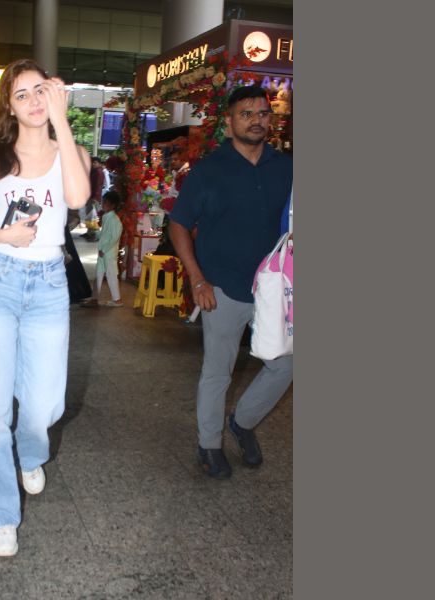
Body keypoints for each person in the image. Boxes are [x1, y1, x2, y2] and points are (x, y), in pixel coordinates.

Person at [0, 58, 90, 557]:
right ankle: (1, 517)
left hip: (48, 285)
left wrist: (62, 121)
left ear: (54, 94)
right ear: (8, 105)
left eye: (40, 91)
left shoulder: (73, 151)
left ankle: (31, 452)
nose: (32, 102)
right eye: (21, 94)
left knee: (45, 407)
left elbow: (78, 196)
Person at [168, 85, 293, 479]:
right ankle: (209, 445)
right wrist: (197, 279)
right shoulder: (209, 171)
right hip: (221, 285)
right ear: (229, 121)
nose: (256, 120)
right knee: (217, 370)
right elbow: (179, 224)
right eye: (246, 114)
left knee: (285, 364)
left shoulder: (286, 167)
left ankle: (242, 422)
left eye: (263, 113)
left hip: (272, 288)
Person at [80, 190, 124, 307]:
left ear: (113, 205)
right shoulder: (106, 217)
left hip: (108, 253)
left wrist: (104, 250)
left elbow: (114, 238)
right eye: (103, 202)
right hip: (102, 252)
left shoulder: (115, 220)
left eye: (105, 203)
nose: (103, 205)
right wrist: (95, 234)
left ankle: (117, 300)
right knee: (98, 274)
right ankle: (94, 298)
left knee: (111, 275)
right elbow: (105, 233)